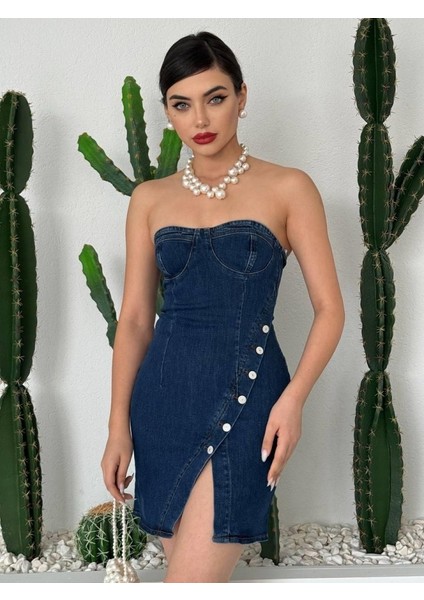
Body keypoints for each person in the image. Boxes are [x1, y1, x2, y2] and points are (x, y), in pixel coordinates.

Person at [101, 31, 345, 583]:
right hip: (161, 402)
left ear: (241, 96)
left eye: (215, 98)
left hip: (247, 395)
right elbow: (135, 320)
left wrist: (292, 401)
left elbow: (330, 309)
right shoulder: (149, 199)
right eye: (181, 104)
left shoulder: (290, 188)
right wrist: (118, 425)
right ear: (167, 112)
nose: (200, 119)